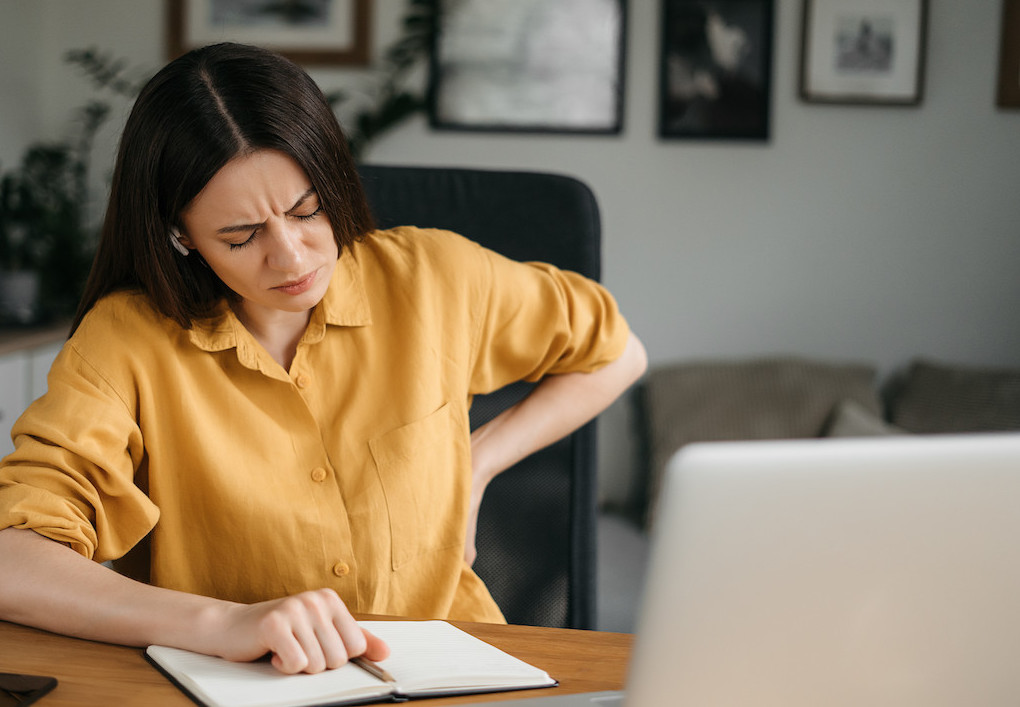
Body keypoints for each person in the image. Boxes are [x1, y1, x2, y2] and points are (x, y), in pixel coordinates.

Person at [0, 43, 646, 675]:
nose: (292, 256)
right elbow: (13, 559)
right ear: (180, 235)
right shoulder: (127, 340)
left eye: (307, 210)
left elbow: (617, 354)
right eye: (241, 235)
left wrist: (477, 464)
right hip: (245, 686)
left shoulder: (434, 278)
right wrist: (222, 623)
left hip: (449, 671)